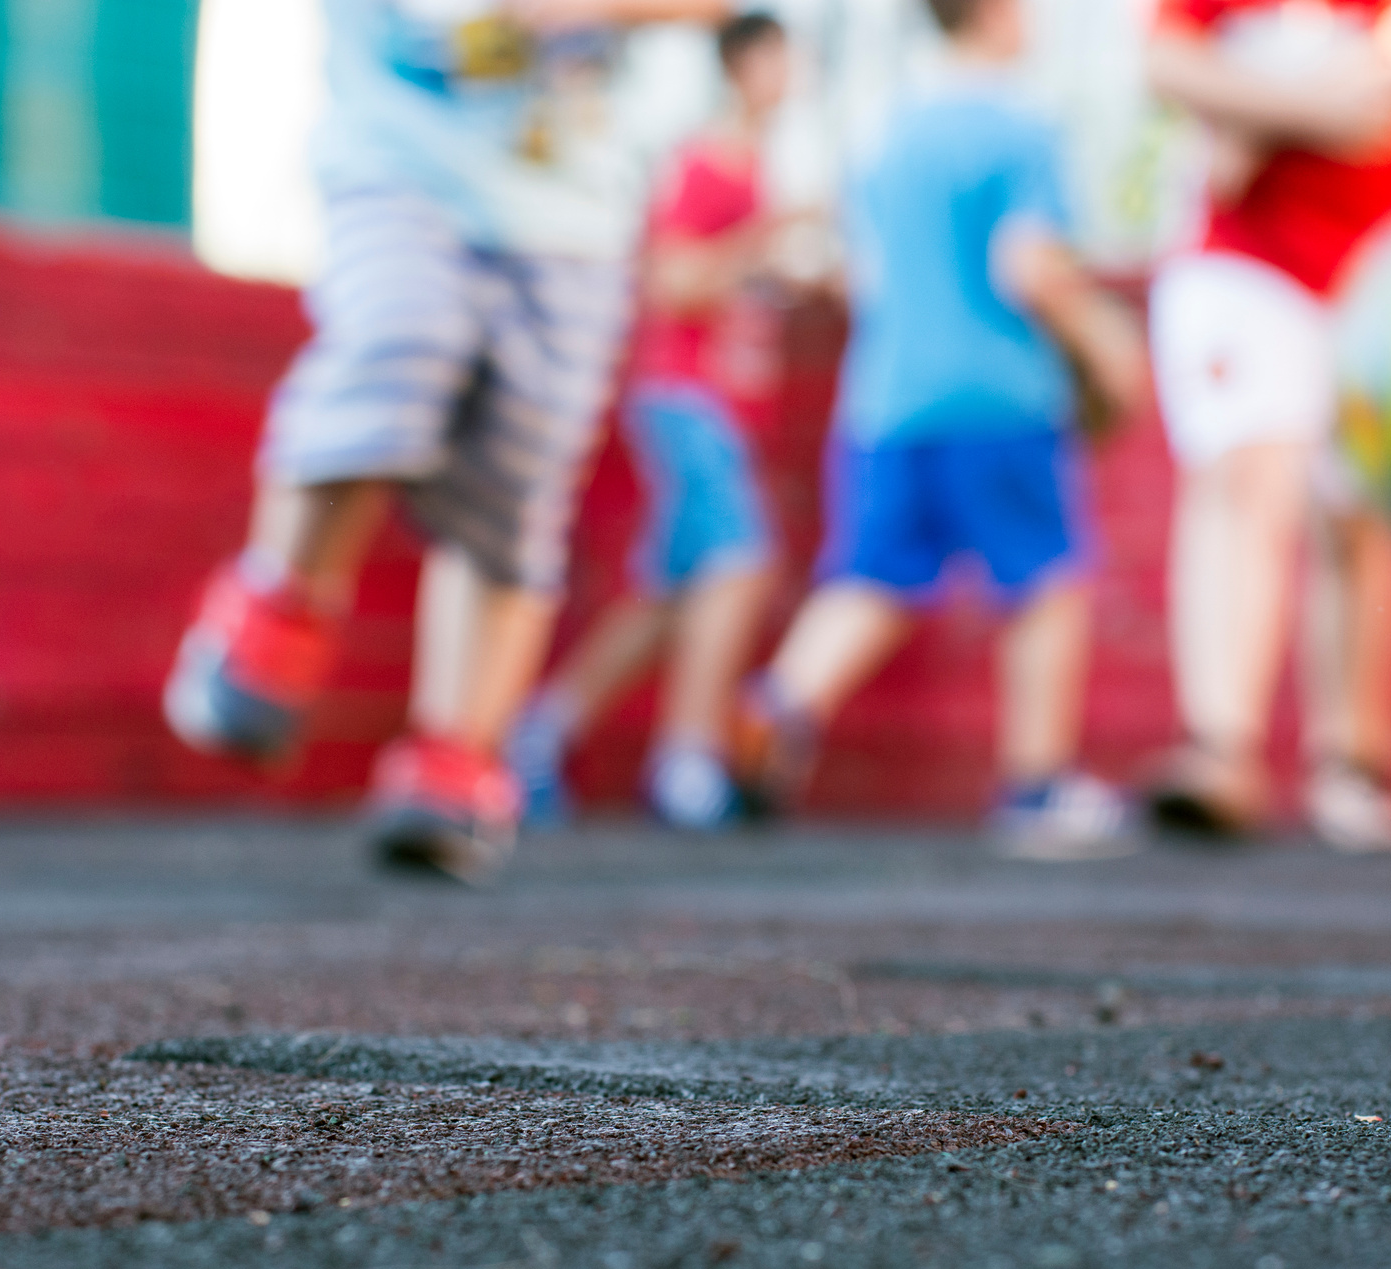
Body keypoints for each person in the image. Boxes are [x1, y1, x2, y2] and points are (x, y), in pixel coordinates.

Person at [162, 0, 730, 885]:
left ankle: (456, 753)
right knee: (398, 337)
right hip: (402, 158)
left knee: (517, 473)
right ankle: (280, 602)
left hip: (569, 213)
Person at [727, 0, 1150, 861]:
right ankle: (1037, 788)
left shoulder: (886, 138)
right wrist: (1106, 344)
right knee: (1044, 585)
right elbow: (1027, 264)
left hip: (885, 398)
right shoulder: (1022, 131)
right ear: (994, 15)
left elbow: (859, 274)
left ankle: (775, 709)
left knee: (873, 578)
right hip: (1000, 395)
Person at [1141, 0, 1391, 852]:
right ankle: (1220, 750)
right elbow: (1166, 64)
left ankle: (1353, 762)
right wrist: (1323, 109)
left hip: (1378, 276)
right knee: (1242, 482)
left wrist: (1253, 119)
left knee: (1358, 514)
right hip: (1243, 263)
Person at [505, 11, 797, 831]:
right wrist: (763, 242)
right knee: (739, 563)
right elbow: (673, 282)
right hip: (684, 395)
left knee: (668, 592)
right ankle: (687, 762)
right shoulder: (707, 162)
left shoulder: (755, 168)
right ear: (746, 66)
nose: (795, 76)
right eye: (782, 59)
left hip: (725, 404)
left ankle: (539, 733)